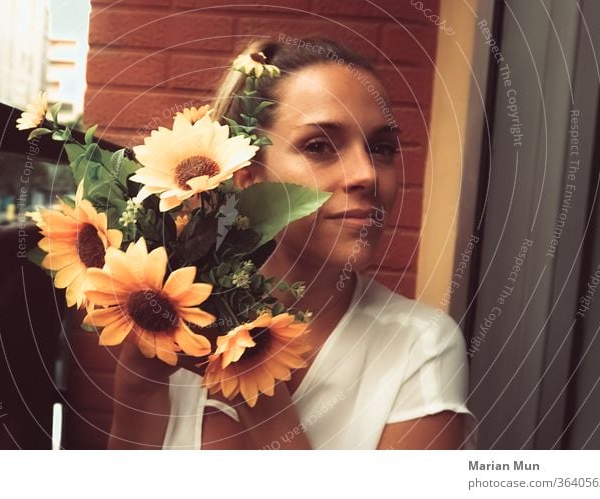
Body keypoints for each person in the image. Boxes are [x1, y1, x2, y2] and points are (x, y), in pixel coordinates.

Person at [106, 37, 477, 450]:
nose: (367, 174)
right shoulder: (171, 323)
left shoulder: (418, 346)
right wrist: (137, 389)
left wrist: (259, 391)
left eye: (382, 148)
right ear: (247, 173)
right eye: (319, 146)